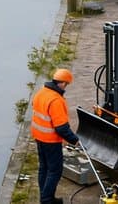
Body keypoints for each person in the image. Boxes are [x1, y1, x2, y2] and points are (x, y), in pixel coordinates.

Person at [31, 68, 79, 204]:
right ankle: (47, 200)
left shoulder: (41, 92)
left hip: (38, 136)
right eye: (67, 84)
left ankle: (45, 196)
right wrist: (75, 140)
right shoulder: (56, 100)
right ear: (63, 83)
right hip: (50, 140)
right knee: (55, 171)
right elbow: (61, 128)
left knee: (44, 167)